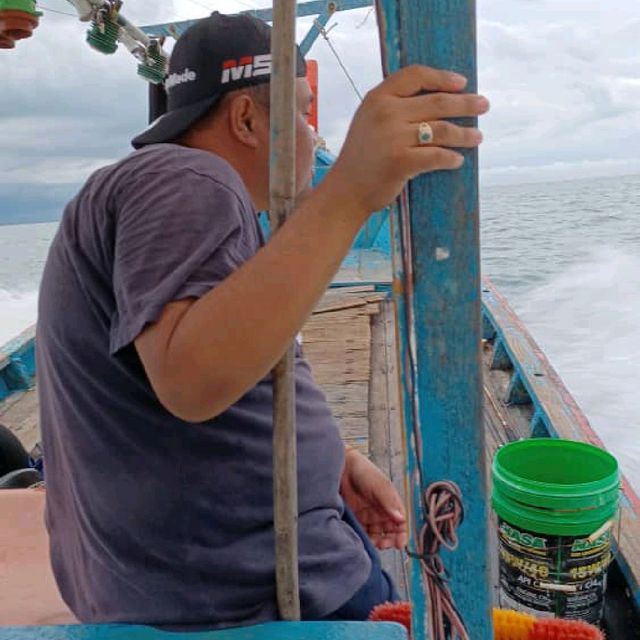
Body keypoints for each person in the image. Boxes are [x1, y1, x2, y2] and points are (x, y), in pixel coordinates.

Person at [36, 11, 488, 630]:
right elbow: (191, 377)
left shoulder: (163, 193)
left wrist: (336, 460)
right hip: (252, 601)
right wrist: (354, 188)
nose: (313, 134)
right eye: (302, 111)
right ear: (247, 119)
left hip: (181, 582)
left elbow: (222, 368)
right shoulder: (188, 176)